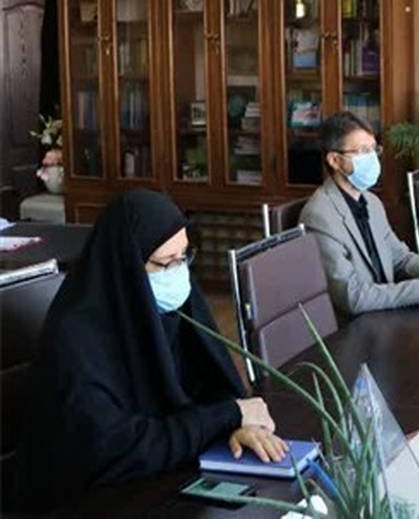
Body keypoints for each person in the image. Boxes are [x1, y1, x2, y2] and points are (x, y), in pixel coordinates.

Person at [4, 190, 287, 511]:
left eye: (184, 258)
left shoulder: (175, 309)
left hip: (160, 483)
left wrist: (240, 426)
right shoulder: (75, 337)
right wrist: (225, 416)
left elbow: (214, 384)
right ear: (126, 266)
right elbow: (111, 449)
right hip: (86, 500)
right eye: (165, 264)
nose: (178, 274)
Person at [301, 112, 419, 316]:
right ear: (335, 160)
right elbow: (352, 297)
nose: (372, 158)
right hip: (358, 327)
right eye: (363, 151)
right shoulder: (319, 217)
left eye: (374, 149)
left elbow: (400, 259)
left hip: (386, 314)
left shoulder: (371, 202)